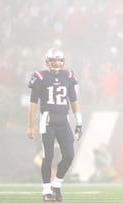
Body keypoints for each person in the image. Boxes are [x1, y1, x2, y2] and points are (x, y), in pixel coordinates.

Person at [27, 48, 83, 202]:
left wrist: (79, 122)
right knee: (48, 156)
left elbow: (74, 100)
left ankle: (57, 184)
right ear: (47, 61)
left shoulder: (68, 75)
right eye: (53, 60)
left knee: (69, 154)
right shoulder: (40, 76)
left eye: (58, 60)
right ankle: (46, 190)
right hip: (47, 120)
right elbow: (33, 104)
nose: (56, 63)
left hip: (63, 120)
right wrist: (31, 126)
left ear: (63, 61)